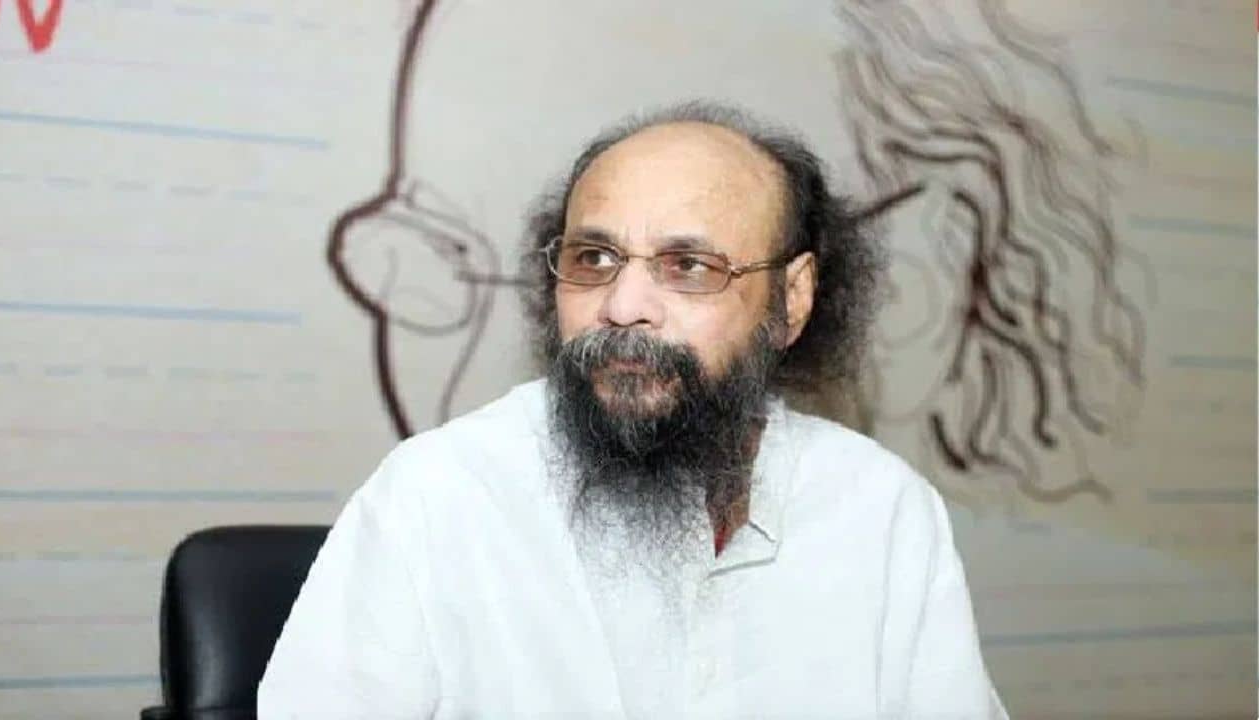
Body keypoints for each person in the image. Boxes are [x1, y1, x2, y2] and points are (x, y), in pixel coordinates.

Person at [258, 101, 1008, 718]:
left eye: (688, 266)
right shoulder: (439, 494)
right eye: (594, 258)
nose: (622, 306)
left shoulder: (881, 508)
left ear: (791, 299)